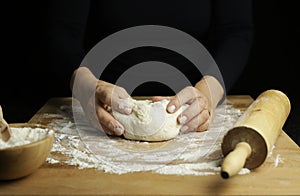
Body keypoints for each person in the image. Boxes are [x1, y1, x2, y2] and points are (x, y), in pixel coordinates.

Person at [46, 0, 253, 136]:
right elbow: (63, 31)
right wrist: (85, 85)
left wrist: (207, 93)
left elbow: (235, 31)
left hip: (189, 111)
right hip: (106, 107)